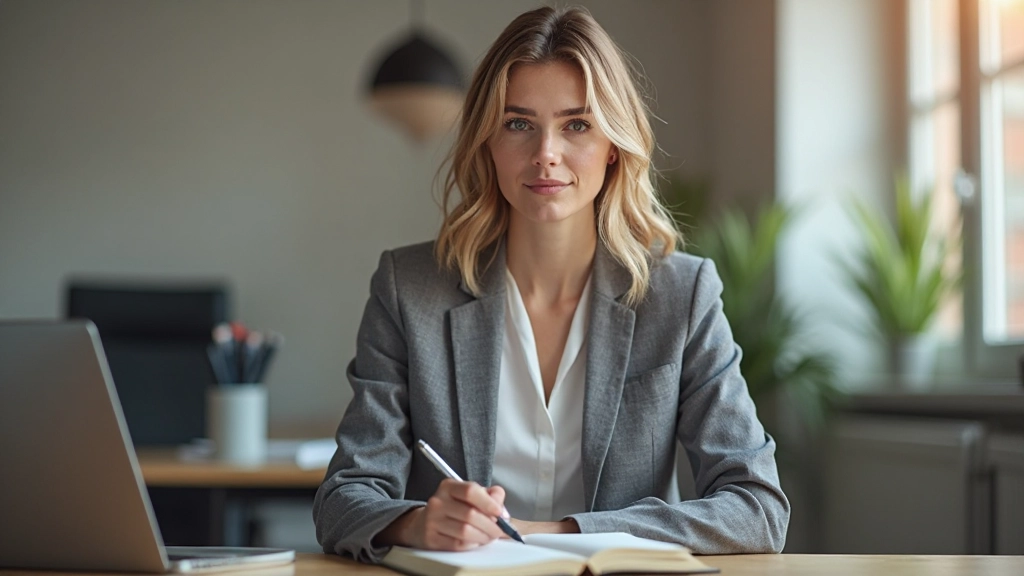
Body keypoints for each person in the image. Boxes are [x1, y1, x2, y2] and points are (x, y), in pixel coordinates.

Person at [313, 5, 789, 563]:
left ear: (614, 145)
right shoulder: (409, 289)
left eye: (577, 125)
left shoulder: (681, 296)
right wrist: (418, 523)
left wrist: (557, 531)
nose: (545, 155)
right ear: (487, 143)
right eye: (519, 124)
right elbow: (342, 499)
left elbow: (757, 507)